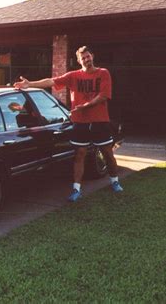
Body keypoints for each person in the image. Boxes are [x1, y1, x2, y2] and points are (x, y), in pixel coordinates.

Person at [14, 45, 123, 202]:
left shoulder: (103, 73)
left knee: (107, 153)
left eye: (88, 56)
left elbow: (103, 96)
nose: (86, 59)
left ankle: (115, 181)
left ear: (93, 56)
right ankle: (76, 190)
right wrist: (29, 84)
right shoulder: (73, 76)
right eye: (83, 58)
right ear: (79, 61)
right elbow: (51, 81)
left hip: (100, 120)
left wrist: (85, 106)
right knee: (80, 155)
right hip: (80, 122)